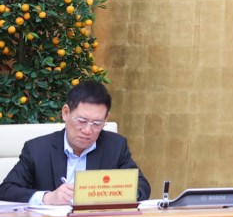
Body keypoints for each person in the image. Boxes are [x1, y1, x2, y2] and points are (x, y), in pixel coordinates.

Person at [0, 81, 151, 203]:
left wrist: (113, 194)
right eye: (81, 120)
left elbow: (142, 187)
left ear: (106, 119)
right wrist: (48, 198)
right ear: (65, 113)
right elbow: (6, 190)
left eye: (97, 123)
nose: (87, 130)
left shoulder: (115, 146)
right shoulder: (37, 149)